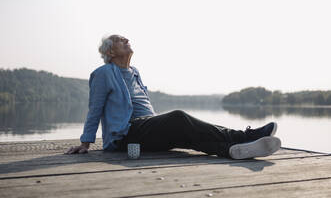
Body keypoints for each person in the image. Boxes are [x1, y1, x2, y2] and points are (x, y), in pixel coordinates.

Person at [66, 35, 281, 159]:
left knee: (185, 136)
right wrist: (85, 143)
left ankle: (232, 150)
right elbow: (94, 109)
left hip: (147, 129)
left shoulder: (135, 72)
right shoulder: (103, 74)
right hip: (126, 135)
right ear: (110, 53)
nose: (125, 39)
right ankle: (244, 136)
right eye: (119, 40)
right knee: (178, 117)